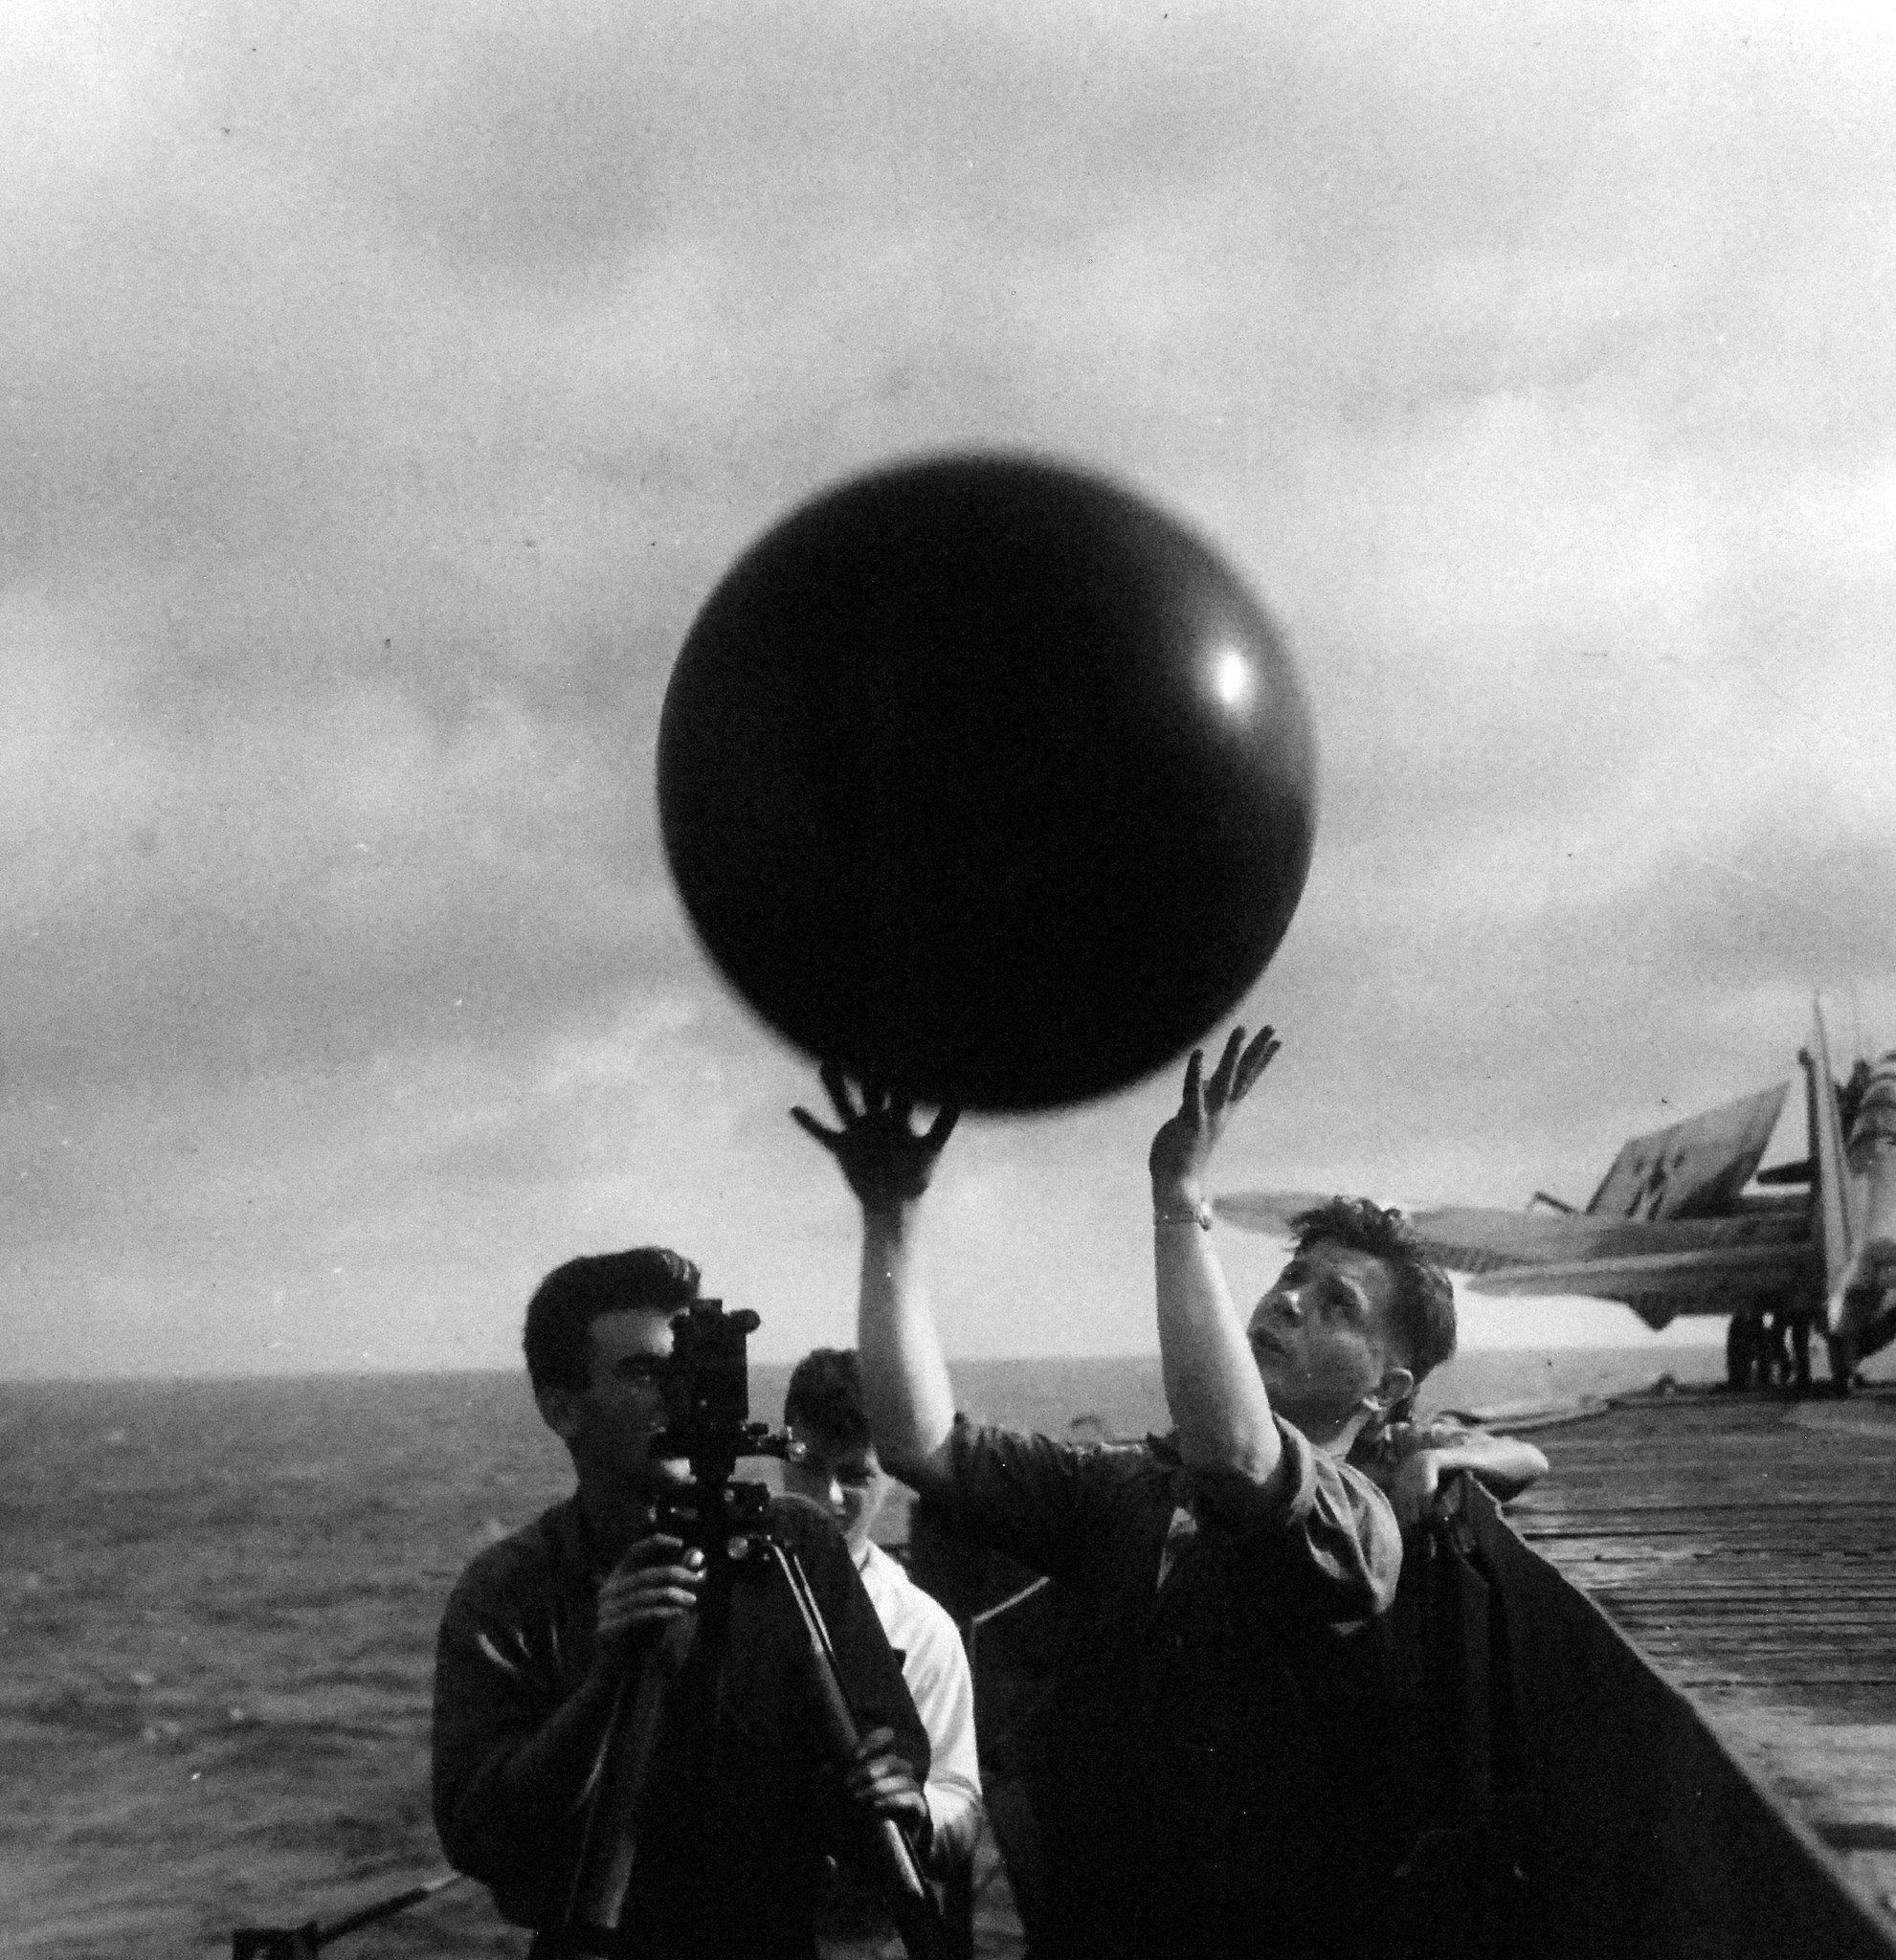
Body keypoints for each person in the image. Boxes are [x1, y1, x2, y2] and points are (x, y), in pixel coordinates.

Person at [793, 1027, 1534, 1960]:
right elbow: (919, 1442)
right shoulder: (1133, 1485)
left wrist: (1180, 1205)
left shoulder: (1356, 1523)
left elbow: (1237, 1455)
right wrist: (890, 1219)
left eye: (1336, 1304)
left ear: (1386, 1389)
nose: (1289, 1300)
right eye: (1292, 1276)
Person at [432, 1247, 932, 1960]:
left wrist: (886, 1788)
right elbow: (479, 1836)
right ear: (561, 1407)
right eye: (642, 1373)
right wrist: (605, 1685)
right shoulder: (510, 1591)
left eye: (686, 1367)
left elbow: (891, 1748)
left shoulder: (795, 1546)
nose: (679, 1395)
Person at [782, 1347, 984, 1876]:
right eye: (809, 1466)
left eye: (854, 1475)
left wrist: (919, 1810)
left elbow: (959, 1798)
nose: (829, 1495)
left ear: (890, 1476)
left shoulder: (923, 1628)